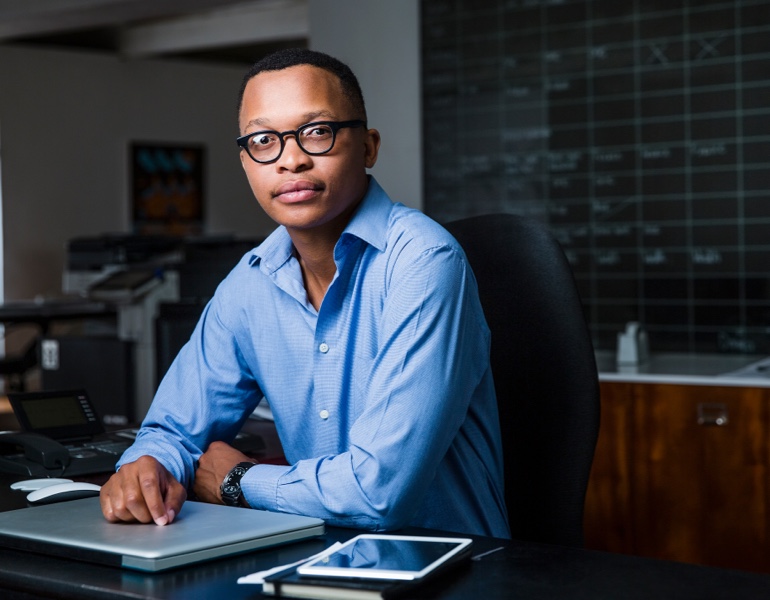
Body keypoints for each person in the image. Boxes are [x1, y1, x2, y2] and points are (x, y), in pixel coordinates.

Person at [99, 48, 509, 539]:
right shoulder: (250, 285)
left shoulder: (423, 264)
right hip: (316, 561)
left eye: (317, 131)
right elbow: (173, 431)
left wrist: (236, 481)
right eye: (263, 140)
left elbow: (380, 493)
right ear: (247, 161)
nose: (290, 160)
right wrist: (144, 468)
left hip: (452, 569)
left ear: (369, 147)